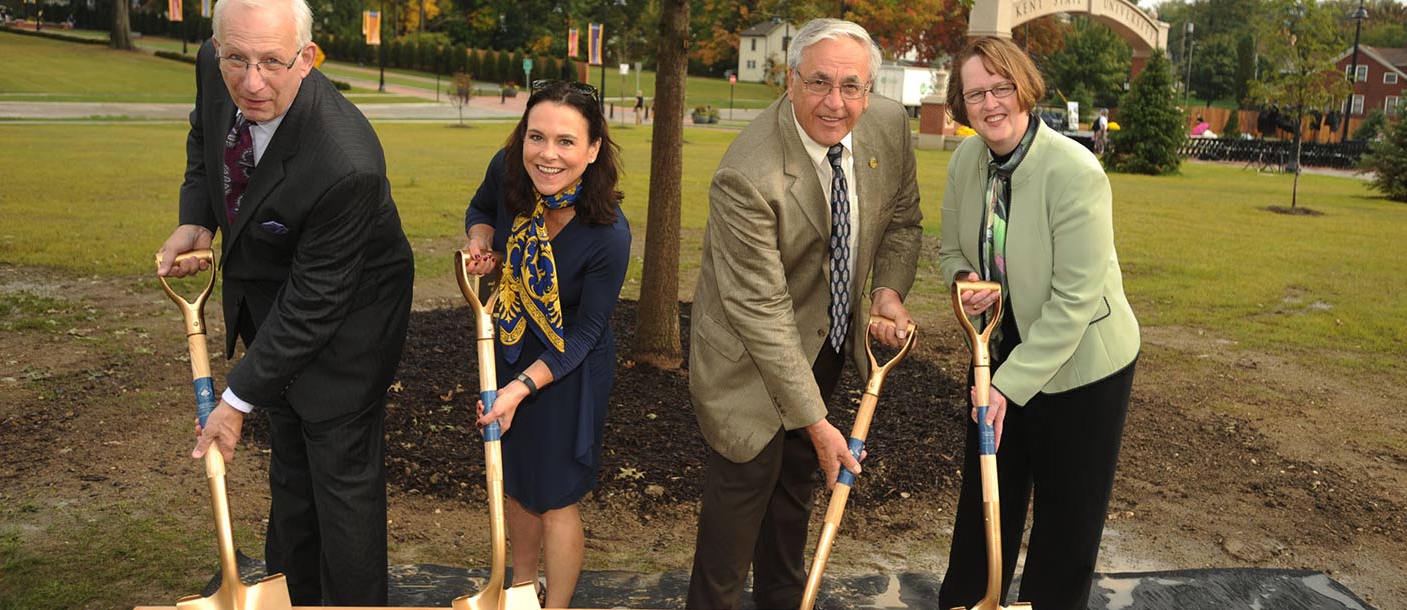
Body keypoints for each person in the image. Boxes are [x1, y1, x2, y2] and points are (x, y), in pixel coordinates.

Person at [154, 0, 414, 604]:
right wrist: (198, 221)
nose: (251, 82)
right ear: (218, 47)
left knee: (340, 481)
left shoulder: (346, 161)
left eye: (271, 62)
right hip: (274, 297)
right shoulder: (215, 63)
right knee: (291, 470)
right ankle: (292, 597)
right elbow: (205, 135)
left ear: (307, 58)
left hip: (350, 317)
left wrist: (236, 399)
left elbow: (316, 303)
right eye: (236, 59)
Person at [685, 18, 923, 610]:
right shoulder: (748, 173)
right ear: (790, 81)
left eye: (851, 86)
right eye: (819, 82)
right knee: (733, 528)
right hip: (746, 363)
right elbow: (759, 311)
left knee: (790, 508)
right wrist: (819, 427)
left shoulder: (889, 126)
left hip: (823, 344)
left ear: (871, 89)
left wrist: (887, 293)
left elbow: (903, 221)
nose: (835, 102)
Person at [936, 36, 1141, 610]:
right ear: (962, 103)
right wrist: (964, 283)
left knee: (1066, 522)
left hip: (1085, 367)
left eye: (1001, 87)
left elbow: (1075, 302)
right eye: (976, 93)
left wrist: (1006, 386)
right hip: (1000, 351)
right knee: (986, 500)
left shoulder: (1075, 171)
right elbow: (950, 250)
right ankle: (968, 600)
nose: (990, 103)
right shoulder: (966, 161)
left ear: (1023, 87)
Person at [462, 79, 631, 610]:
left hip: (569, 369)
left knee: (555, 498)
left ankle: (554, 606)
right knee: (517, 483)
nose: (547, 154)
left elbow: (585, 332)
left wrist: (518, 390)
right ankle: (520, 589)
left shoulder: (608, 235)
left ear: (593, 148)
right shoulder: (510, 167)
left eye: (565, 141)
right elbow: (481, 207)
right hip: (512, 343)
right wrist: (481, 240)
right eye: (537, 137)